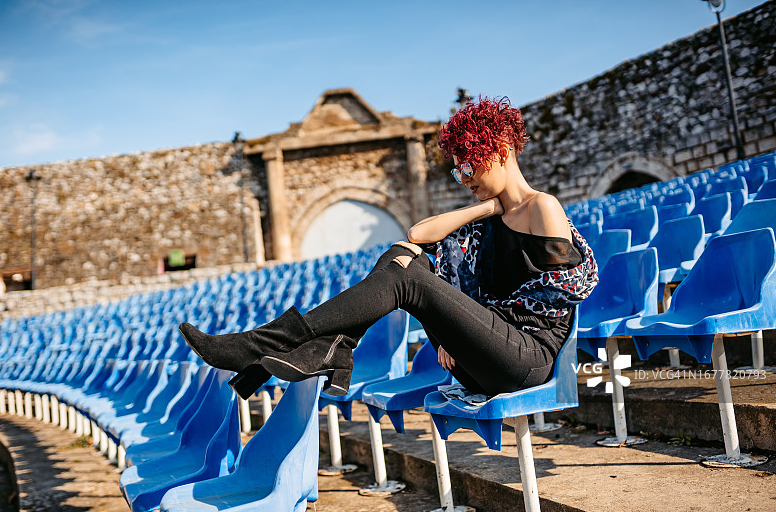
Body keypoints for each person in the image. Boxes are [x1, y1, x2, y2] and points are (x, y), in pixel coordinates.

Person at [179, 96, 598, 400]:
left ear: (502, 151)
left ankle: (273, 344)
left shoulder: (543, 207)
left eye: (470, 166)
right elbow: (417, 235)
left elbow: (553, 298)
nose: (464, 177)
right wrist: (488, 206)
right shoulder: (487, 220)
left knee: (406, 277)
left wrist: (462, 326)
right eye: (458, 171)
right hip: (481, 357)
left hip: (526, 357)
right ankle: (329, 349)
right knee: (401, 254)